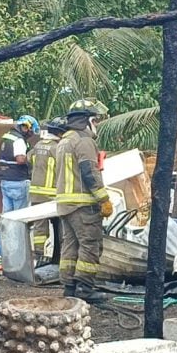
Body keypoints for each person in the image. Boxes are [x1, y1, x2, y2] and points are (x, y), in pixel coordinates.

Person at [55, 99, 112, 302]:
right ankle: (85, 289)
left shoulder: (64, 140)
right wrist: (103, 199)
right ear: (86, 121)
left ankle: (69, 287)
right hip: (82, 205)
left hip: (65, 205)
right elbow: (90, 172)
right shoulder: (83, 141)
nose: (95, 125)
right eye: (94, 121)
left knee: (70, 247)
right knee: (90, 244)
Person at [28, 117, 67, 259]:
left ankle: (39, 256)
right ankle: (61, 256)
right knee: (62, 226)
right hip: (52, 194)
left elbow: (28, 159)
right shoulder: (58, 148)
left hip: (36, 193)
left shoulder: (38, 145)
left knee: (40, 227)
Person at [0, 115, 39, 213]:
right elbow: (20, 159)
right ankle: (18, 230)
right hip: (18, 181)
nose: (31, 134)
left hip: (5, 180)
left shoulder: (6, 136)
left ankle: (7, 229)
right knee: (19, 216)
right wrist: (31, 157)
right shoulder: (19, 140)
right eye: (31, 131)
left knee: (7, 215)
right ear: (27, 128)